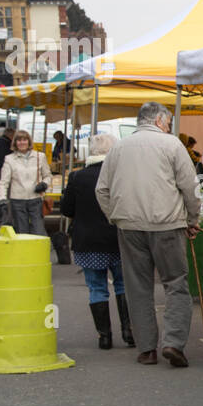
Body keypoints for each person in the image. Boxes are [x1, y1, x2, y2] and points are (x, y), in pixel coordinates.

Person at [95, 102, 202, 368]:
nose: (168, 126)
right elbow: (190, 186)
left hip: (130, 226)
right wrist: (192, 218)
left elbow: (102, 190)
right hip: (166, 224)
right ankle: (173, 343)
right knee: (176, 283)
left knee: (138, 287)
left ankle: (146, 349)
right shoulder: (172, 145)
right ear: (158, 121)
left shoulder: (118, 147)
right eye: (167, 122)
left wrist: (115, 217)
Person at [62, 133, 133, 350]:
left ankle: (104, 336)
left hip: (88, 241)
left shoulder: (77, 177)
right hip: (119, 238)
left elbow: (67, 210)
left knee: (96, 288)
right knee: (123, 285)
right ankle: (128, 333)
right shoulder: (121, 175)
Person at [0, 130, 52, 234]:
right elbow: (4, 182)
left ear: (29, 142)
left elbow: (48, 175)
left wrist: (44, 184)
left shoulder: (39, 157)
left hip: (35, 198)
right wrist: (2, 199)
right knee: (22, 232)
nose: (22, 142)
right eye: (19, 140)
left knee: (39, 231)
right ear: (15, 143)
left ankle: (39, 250)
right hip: (17, 200)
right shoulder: (9, 159)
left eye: (24, 140)